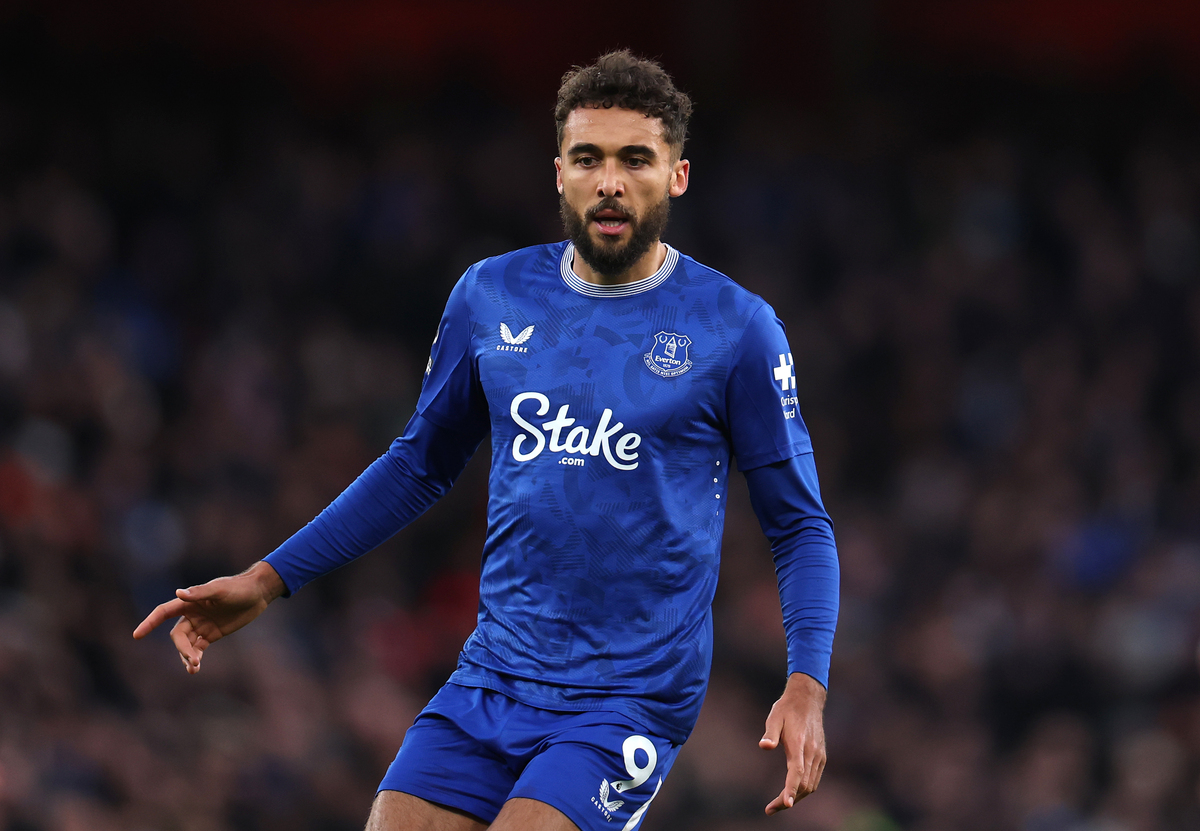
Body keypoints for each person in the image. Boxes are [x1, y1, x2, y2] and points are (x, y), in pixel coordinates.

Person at [134, 50, 839, 831]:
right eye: (588, 158)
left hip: (627, 696)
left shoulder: (735, 326)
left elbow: (799, 522)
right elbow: (418, 464)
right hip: (493, 677)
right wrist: (268, 579)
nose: (610, 180)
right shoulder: (491, 294)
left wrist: (806, 682)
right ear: (559, 173)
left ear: (676, 174)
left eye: (636, 158)